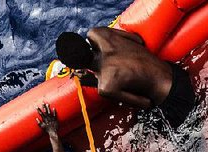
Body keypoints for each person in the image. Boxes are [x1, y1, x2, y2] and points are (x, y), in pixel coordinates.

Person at [55, 29, 196, 128]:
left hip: (175, 102)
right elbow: (138, 41)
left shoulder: (106, 86)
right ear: (85, 42)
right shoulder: (98, 34)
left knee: (144, 126)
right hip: (177, 73)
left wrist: (93, 82)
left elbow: (146, 103)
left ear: (75, 66)